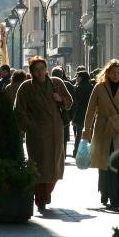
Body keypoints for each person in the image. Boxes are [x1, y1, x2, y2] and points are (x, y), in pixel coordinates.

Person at [15, 56, 73, 211]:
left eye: (42, 69)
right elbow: (19, 110)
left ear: (46, 69)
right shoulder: (26, 87)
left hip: (55, 131)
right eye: (36, 70)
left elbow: (69, 102)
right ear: (32, 72)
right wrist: (29, 125)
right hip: (36, 133)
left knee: (54, 165)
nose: (40, 72)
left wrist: (60, 98)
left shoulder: (57, 83)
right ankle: (40, 197)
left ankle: (46, 193)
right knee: (39, 166)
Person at [83, 59, 119, 208]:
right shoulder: (99, 87)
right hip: (102, 127)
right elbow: (90, 110)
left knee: (116, 162)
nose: (115, 75)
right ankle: (104, 191)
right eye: (113, 72)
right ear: (107, 73)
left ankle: (115, 195)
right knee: (102, 162)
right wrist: (87, 130)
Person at [51, 66, 76, 157]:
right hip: (65, 115)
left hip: (61, 115)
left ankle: (60, 155)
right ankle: (63, 154)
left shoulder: (51, 83)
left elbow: (71, 101)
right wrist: (72, 116)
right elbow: (73, 101)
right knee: (63, 137)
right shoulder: (68, 84)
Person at [72, 71, 93, 158]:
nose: (76, 78)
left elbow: (77, 103)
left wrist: (73, 117)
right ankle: (90, 152)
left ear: (81, 78)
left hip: (81, 114)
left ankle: (77, 152)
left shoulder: (79, 88)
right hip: (90, 114)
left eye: (78, 76)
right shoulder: (91, 87)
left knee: (79, 135)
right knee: (89, 134)